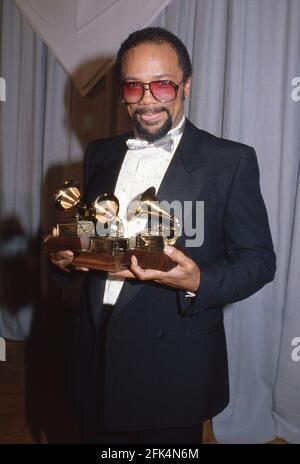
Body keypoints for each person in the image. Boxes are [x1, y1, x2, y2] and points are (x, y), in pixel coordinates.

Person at [48, 27, 276, 444]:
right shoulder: (100, 152)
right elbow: (92, 237)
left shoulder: (231, 161)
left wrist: (199, 282)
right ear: (122, 92)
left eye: (163, 84)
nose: (148, 99)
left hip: (170, 368)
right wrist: (67, 262)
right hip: (93, 356)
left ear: (186, 85)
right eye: (135, 86)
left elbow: (259, 261)